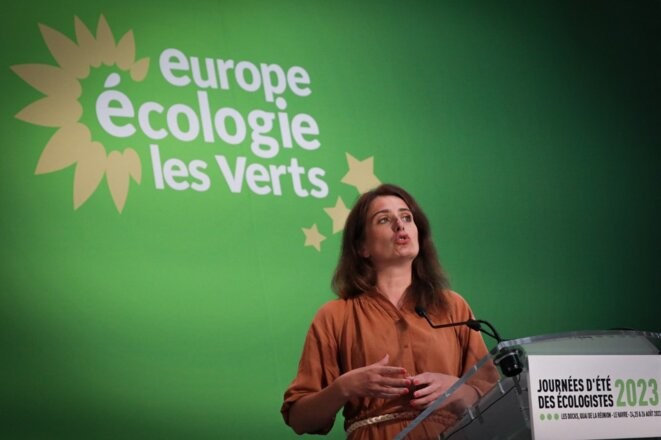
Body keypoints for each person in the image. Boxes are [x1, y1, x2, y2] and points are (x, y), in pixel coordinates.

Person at [281, 184, 498, 439]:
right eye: (384, 219)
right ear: (362, 246)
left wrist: (457, 390)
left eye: (407, 217)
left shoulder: (453, 306)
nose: (400, 224)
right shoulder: (335, 315)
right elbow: (299, 418)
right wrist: (344, 388)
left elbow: (495, 399)